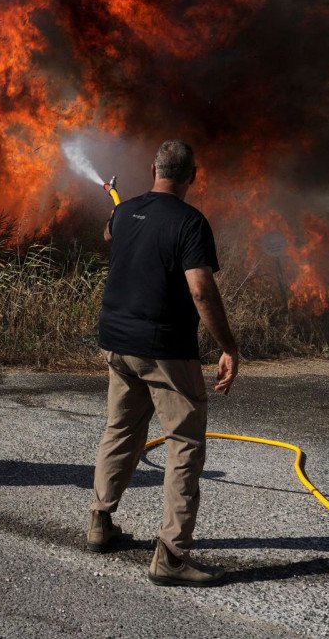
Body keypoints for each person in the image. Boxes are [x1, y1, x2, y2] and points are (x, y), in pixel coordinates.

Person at [87, 139, 240, 586]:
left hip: (117, 344)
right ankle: (171, 557)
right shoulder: (190, 222)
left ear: (153, 168)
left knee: (120, 430)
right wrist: (229, 346)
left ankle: (100, 522)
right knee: (185, 446)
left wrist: (123, 208)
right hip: (165, 351)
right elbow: (201, 290)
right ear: (194, 175)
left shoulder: (124, 211)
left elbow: (110, 234)